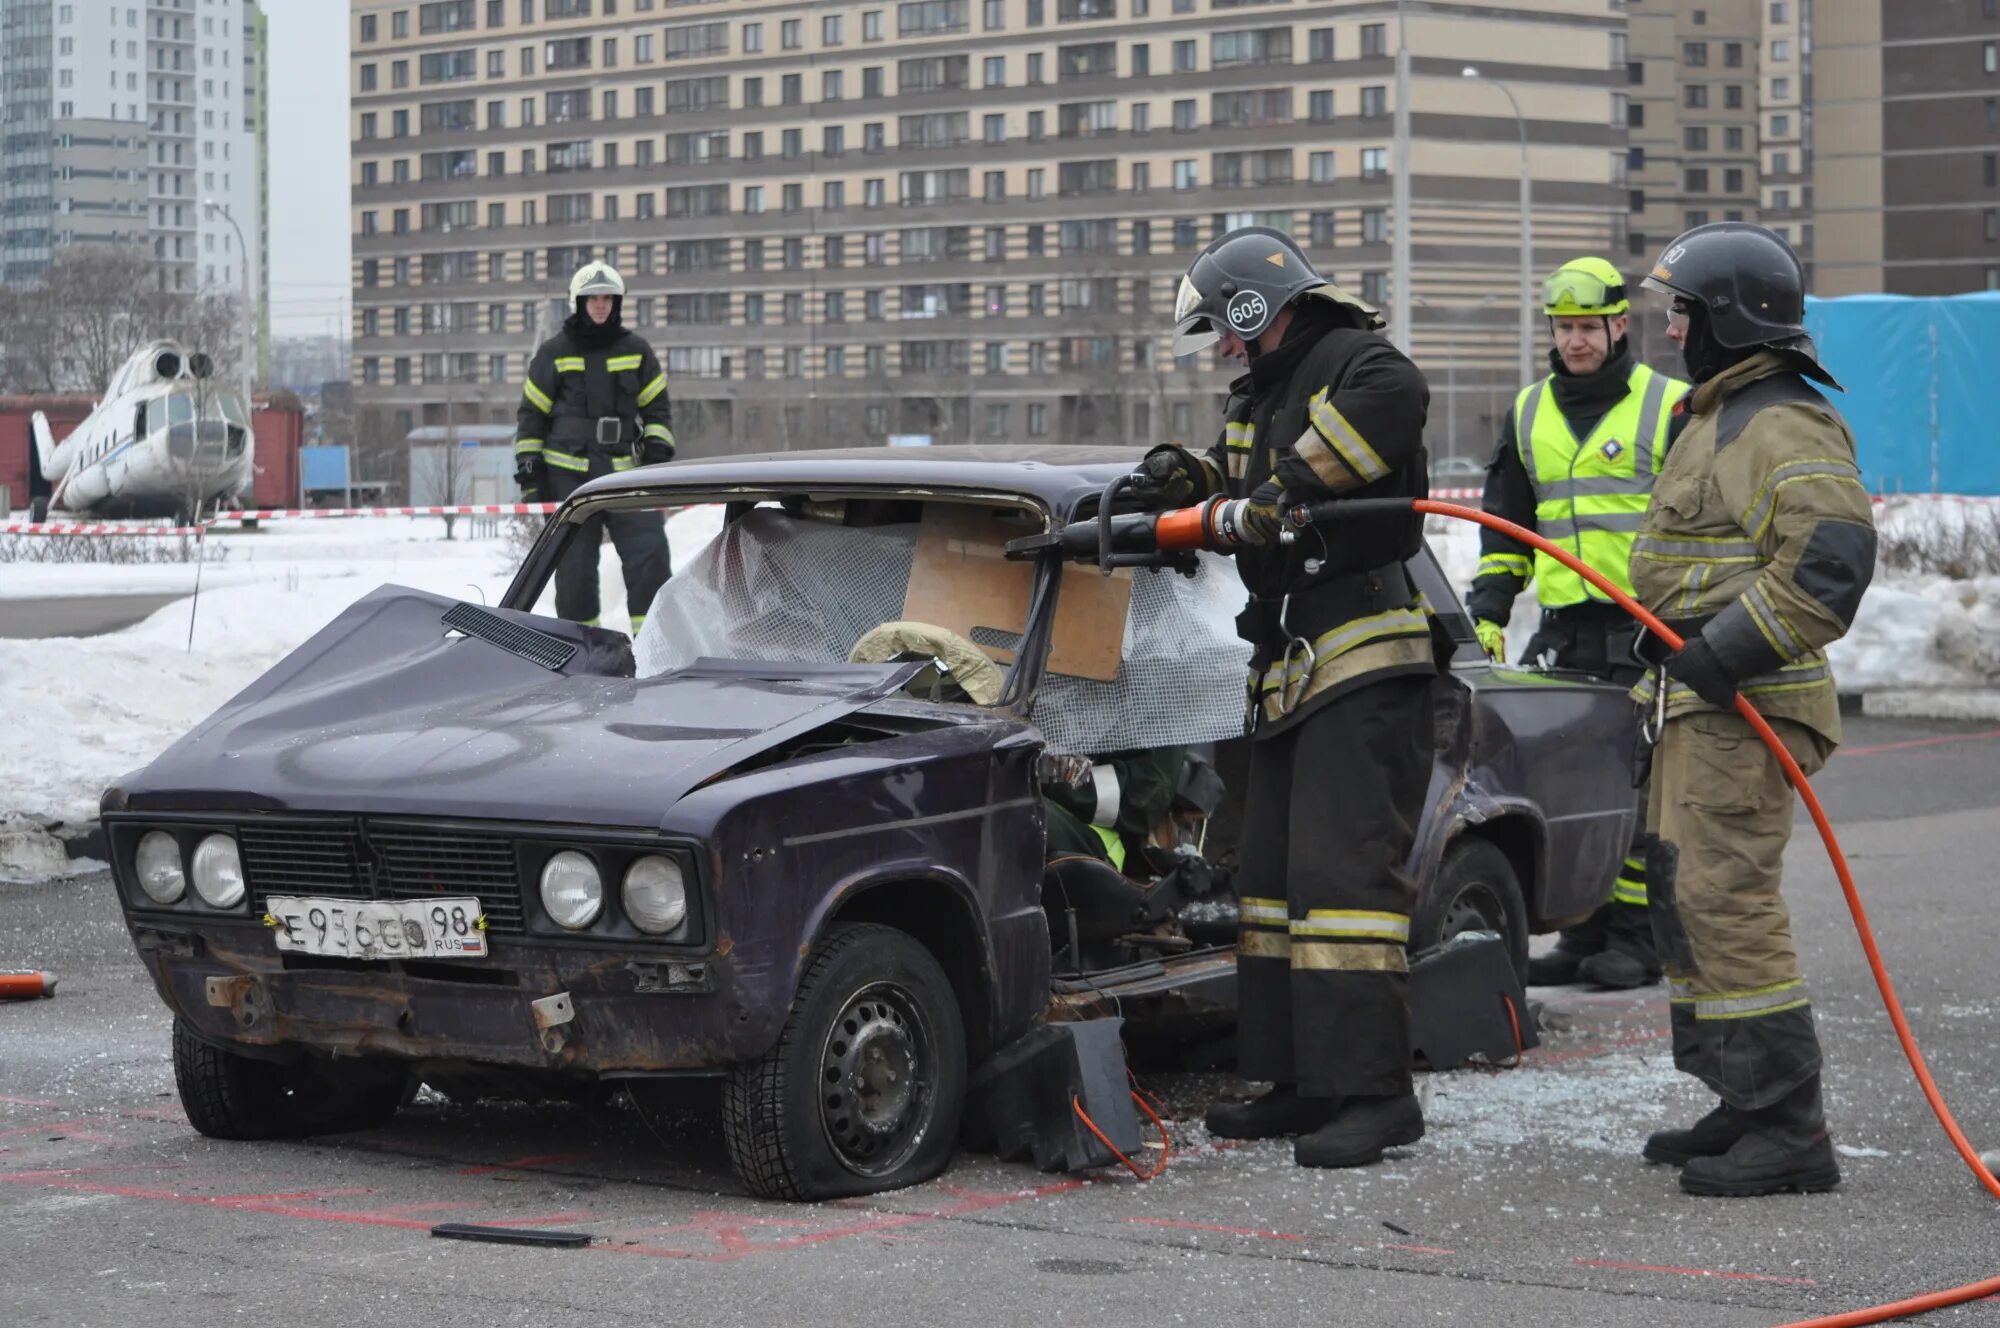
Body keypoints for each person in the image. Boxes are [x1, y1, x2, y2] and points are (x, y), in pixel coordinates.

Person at [1137, 226, 1438, 1170]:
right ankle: (1299, 1079)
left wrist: (1281, 492)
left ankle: (1376, 1096)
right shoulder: (1260, 393)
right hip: (1289, 669)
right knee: (1269, 884)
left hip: (1361, 654)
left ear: (1259, 309)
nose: (1222, 346)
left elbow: (1391, 408)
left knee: (1342, 888)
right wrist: (1189, 484)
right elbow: (1237, 496)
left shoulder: (1359, 362)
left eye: (1226, 327)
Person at [1631, 222, 1875, 1197]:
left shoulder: (1779, 419)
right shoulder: (1715, 415)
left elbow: (1829, 560)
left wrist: (1718, 651)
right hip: (1700, 707)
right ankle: (1738, 1098)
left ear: (1723, 319)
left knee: (1725, 902)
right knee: (1686, 900)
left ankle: (1788, 1126)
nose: (1671, 326)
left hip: (1745, 704)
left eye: (1681, 310)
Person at [1466, 256, 1692, 991]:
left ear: (1619, 326)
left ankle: (1638, 939)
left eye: (1587, 328)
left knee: (1643, 787)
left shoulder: (1670, 406)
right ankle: (1586, 930)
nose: (1575, 342)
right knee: (1571, 780)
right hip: (1566, 628)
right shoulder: (1530, 411)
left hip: (1645, 626)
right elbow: (1505, 526)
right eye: (1564, 328)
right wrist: (1489, 615)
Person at [514, 261, 677, 634]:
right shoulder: (553, 353)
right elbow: (531, 416)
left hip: (626, 475)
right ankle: (583, 653)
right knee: (573, 571)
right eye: (593, 298)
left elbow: (658, 409)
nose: (601, 305)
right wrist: (530, 472)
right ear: (579, 302)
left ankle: (653, 646)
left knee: (650, 557)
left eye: (607, 298)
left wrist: (657, 455)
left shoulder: (637, 350)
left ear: (617, 303)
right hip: (568, 478)